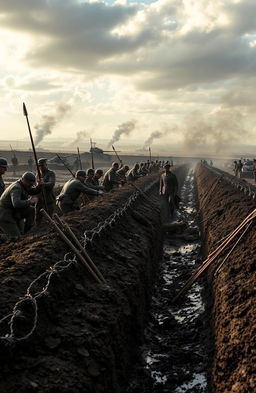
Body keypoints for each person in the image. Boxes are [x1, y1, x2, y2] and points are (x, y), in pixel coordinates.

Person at [0, 172, 41, 239]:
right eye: (30, 184)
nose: (30, 186)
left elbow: (31, 191)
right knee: (16, 237)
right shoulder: (16, 188)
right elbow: (16, 203)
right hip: (5, 215)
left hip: (14, 212)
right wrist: (29, 201)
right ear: (24, 180)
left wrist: (38, 188)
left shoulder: (24, 185)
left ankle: (25, 231)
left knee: (31, 210)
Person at [35, 158, 56, 224]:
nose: (41, 167)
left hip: (48, 199)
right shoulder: (38, 174)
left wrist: (43, 184)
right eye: (39, 166)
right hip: (39, 200)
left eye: (42, 165)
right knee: (37, 218)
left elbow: (51, 183)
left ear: (46, 165)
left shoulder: (51, 173)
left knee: (49, 218)